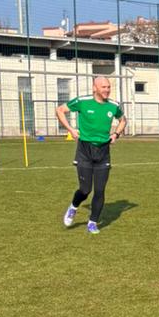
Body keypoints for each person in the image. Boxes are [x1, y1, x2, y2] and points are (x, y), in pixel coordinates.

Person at [57, 76, 127, 235]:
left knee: (100, 190)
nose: (107, 90)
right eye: (103, 87)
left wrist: (116, 134)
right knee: (85, 189)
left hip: (103, 152)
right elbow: (60, 110)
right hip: (85, 150)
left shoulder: (114, 105)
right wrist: (71, 130)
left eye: (108, 87)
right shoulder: (82, 101)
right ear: (95, 88)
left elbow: (123, 120)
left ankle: (93, 222)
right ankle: (73, 207)